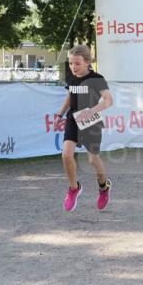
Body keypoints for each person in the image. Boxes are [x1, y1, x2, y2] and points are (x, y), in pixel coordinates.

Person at [52, 45, 114, 212]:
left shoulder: (97, 79)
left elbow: (108, 100)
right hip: (73, 118)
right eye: (71, 63)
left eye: (77, 63)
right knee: (66, 155)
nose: (73, 67)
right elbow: (69, 96)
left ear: (87, 62)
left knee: (93, 160)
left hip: (91, 121)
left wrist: (91, 111)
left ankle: (104, 187)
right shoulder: (71, 78)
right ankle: (74, 188)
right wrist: (59, 115)